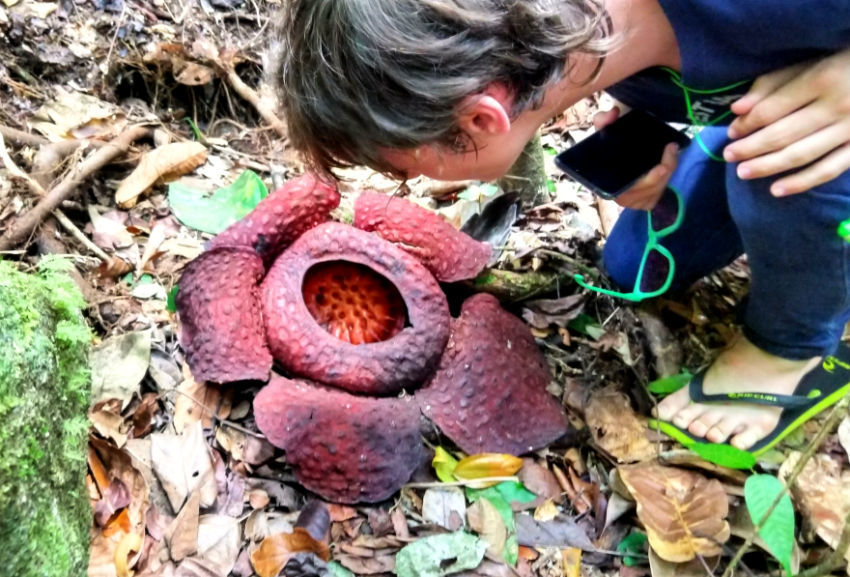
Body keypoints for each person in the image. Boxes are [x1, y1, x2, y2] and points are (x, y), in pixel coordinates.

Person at [275, 0, 850, 452]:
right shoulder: (567, 29)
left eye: (405, 169)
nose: (411, 183)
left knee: (779, 157)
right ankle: (740, 154)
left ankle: (789, 351)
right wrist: (648, 116)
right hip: (757, 104)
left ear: (481, 120)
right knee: (635, 264)